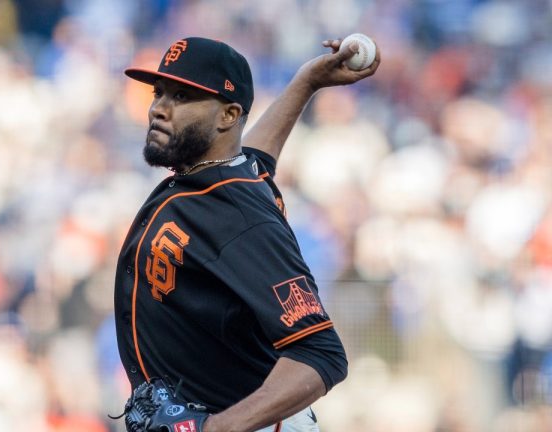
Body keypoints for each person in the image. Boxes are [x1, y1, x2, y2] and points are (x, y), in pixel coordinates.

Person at [114, 36, 380, 432]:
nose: (159, 109)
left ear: (228, 116)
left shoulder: (241, 218)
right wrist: (306, 82)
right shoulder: (227, 171)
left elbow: (320, 354)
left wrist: (219, 428)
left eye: (182, 97)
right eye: (160, 93)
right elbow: (254, 154)